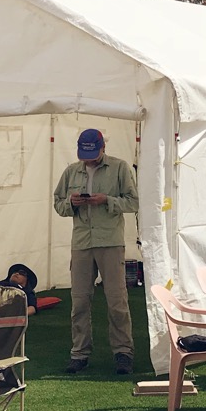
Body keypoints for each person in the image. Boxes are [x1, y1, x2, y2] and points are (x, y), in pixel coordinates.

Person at [53, 128, 139, 373]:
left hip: (110, 242)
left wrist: (107, 200)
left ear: (103, 148)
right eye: (83, 154)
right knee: (79, 301)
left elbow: (134, 202)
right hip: (81, 243)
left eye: (91, 153)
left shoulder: (120, 168)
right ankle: (79, 353)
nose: (87, 159)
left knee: (117, 301)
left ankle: (123, 352)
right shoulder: (71, 171)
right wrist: (71, 203)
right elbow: (58, 203)